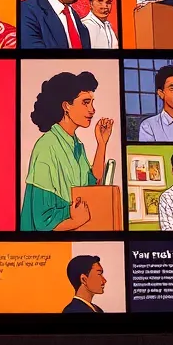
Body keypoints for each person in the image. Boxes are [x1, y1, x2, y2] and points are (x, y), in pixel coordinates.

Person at [19, 71, 114, 231]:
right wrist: (76, 219)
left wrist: (102, 144)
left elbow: (92, 186)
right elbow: (43, 219)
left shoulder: (76, 145)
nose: (92, 110)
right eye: (85, 102)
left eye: (92, 102)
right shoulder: (47, 146)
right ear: (66, 106)